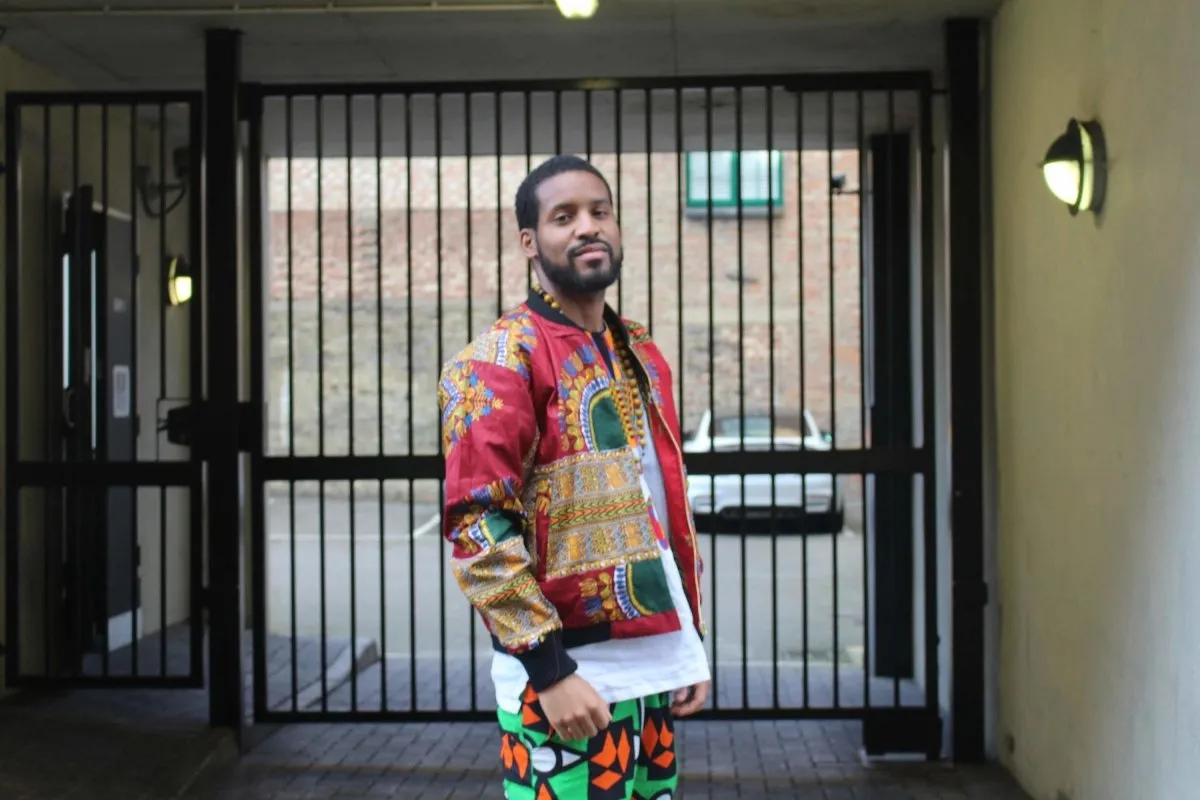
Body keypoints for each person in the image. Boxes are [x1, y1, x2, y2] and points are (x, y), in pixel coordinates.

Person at [438, 154, 711, 799]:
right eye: (565, 217)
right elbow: (476, 527)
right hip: (566, 681)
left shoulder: (639, 350)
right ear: (531, 243)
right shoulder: (498, 360)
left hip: (654, 669)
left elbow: (659, 506)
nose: (588, 227)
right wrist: (550, 671)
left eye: (600, 212)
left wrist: (689, 638)